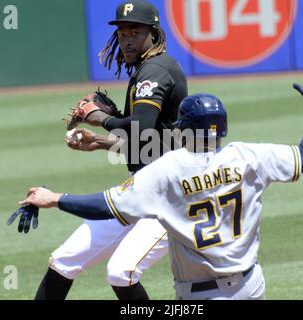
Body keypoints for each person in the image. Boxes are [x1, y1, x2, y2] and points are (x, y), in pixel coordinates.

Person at [15, 66, 303, 299]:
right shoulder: (248, 157)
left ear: (182, 129)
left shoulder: (167, 171)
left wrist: (54, 197)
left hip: (199, 297)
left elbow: (105, 205)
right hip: (251, 287)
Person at [33, 0, 186, 300]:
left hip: (166, 198)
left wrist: (100, 118)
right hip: (140, 189)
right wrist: (100, 142)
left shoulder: (155, 70)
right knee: (64, 260)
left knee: (121, 272)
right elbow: (152, 142)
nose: (126, 39)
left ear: (154, 34)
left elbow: (141, 129)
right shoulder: (147, 69)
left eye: (135, 32)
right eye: (122, 32)